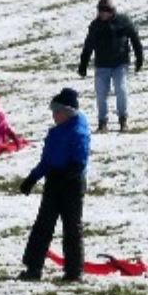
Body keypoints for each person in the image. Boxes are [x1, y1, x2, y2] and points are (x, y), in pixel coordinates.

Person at [18, 88, 91, 282]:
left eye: (57, 112)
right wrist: (32, 179)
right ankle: (33, 268)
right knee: (43, 225)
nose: (53, 115)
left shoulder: (78, 131)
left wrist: (69, 174)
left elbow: (80, 161)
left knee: (72, 229)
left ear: (68, 112)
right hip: (53, 182)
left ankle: (74, 272)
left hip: (72, 184)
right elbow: (47, 161)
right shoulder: (55, 132)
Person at [78, 0, 143, 133]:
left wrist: (139, 57)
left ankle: (123, 120)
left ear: (112, 10)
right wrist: (83, 63)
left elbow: (135, 39)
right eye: (100, 10)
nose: (102, 13)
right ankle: (102, 122)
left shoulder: (123, 21)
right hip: (102, 65)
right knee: (101, 93)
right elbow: (88, 45)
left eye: (105, 10)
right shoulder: (95, 26)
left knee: (121, 89)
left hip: (120, 63)